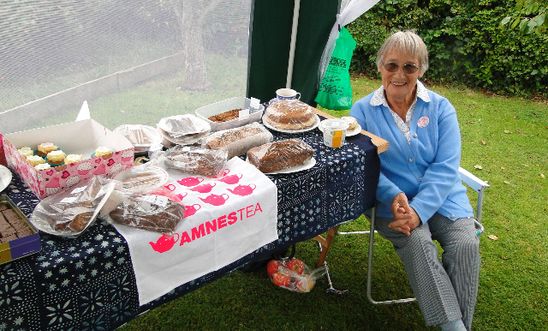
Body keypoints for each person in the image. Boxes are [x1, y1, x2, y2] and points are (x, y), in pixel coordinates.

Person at [350, 31, 480, 331]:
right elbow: (365, 166)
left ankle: (458, 325)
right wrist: (394, 195)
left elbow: (446, 167)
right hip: (391, 203)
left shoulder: (441, 108)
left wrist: (419, 211)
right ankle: (455, 327)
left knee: (465, 244)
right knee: (418, 242)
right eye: (392, 65)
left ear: (420, 70)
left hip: (444, 198)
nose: (399, 74)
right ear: (380, 66)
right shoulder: (362, 111)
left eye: (409, 67)